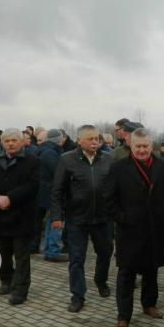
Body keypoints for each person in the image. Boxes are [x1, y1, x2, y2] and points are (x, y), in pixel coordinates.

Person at [104, 128, 164, 327]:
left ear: (152, 146)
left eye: (145, 146)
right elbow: (109, 200)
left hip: (155, 228)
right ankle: (123, 316)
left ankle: (149, 304)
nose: (142, 150)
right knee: (126, 274)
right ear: (130, 146)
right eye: (138, 146)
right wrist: (122, 218)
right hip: (129, 230)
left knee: (152, 269)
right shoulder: (118, 168)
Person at [50, 124, 114, 312]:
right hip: (77, 219)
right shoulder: (67, 159)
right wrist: (57, 216)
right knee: (77, 258)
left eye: (97, 138)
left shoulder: (108, 159)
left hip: (103, 218)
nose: (95, 142)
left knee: (105, 252)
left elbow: (114, 187)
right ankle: (77, 295)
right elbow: (57, 191)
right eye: (90, 139)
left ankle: (101, 280)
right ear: (79, 141)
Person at [0, 128, 40, 305]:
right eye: (7, 141)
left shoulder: (33, 161)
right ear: (2, 142)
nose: (11, 144)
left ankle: (20, 290)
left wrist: (10, 198)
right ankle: (6, 281)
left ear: (22, 142)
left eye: (14, 140)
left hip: (22, 215)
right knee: (2, 254)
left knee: (21, 257)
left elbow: (32, 185)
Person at [36, 129, 67, 262]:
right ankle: (52, 251)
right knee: (55, 221)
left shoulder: (43, 150)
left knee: (50, 221)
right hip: (52, 193)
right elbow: (58, 173)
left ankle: (49, 249)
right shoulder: (51, 153)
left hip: (45, 192)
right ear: (59, 140)